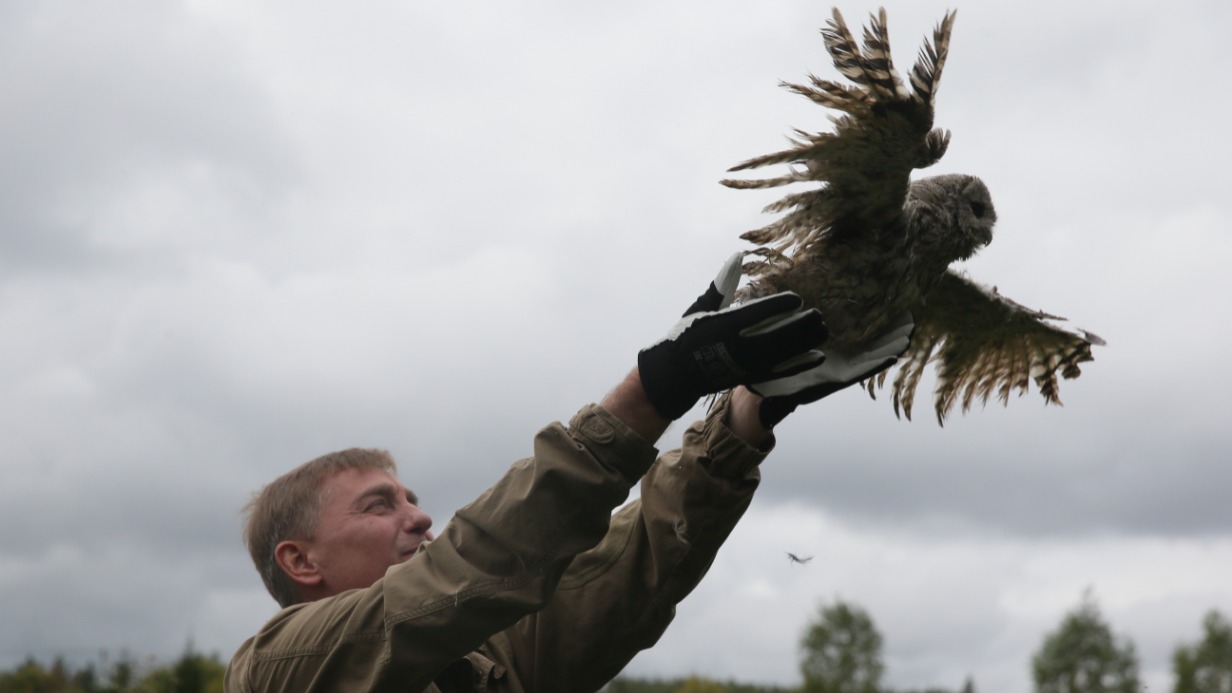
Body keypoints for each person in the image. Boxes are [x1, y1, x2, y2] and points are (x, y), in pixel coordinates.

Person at [224, 254, 913, 693]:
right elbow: (468, 572)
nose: (421, 517)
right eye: (379, 506)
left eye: (412, 497)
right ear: (300, 560)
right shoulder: (277, 671)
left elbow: (623, 569)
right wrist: (649, 393)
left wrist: (742, 419)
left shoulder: (488, 668)